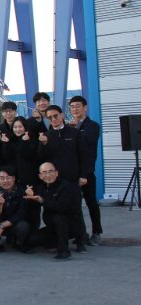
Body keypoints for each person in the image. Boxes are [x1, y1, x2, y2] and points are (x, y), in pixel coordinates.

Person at [26, 162, 88, 260]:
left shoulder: (67, 187)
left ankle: (64, 251)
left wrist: (42, 200)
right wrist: (30, 195)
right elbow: (34, 203)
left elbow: (60, 207)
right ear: (40, 176)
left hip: (71, 226)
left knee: (58, 217)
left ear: (56, 173)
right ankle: (55, 243)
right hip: (52, 227)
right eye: (44, 172)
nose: (48, 175)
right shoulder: (41, 188)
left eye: (51, 171)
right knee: (33, 240)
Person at [68, 96, 102, 244]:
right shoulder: (69, 127)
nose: (75, 109)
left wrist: (74, 129)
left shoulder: (92, 126)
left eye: (78, 106)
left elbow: (86, 142)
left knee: (91, 203)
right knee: (74, 205)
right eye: (72, 107)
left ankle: (97, 232)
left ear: (85, 108)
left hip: (87, 172)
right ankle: (79, 233)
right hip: (72, 172)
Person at [0, 166, 30, 253]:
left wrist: (2, 225)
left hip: (14, 222)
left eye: (8, 178)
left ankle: (18, 243)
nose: (5, 181)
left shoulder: (21, 190)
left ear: (13, 178)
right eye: (2, 178)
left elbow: (21, 213)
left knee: (23, 226)